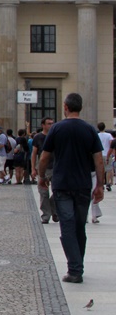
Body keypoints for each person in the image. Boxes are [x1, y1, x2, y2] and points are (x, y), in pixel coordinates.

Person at [37, 93, 105, 283]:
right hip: (83, 184)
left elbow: (44, 157)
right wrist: (99, 185)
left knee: (67, 225)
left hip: (62, 184)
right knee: (78, 226)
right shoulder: (89, 130)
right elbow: (99, 160)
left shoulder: (57, 129)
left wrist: (41, 177)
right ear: (80, 107)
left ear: (65, 107)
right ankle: (77, 265)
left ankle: (75, 269)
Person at [31, 117, 57, 224]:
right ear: (43, 125)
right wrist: (33, 168)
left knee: (58, 191)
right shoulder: (38, 137)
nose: (51, 125)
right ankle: (46, 215)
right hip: (43, 168)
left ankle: (54, 211)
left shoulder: (56, 136)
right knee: (43, 192)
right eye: (48, 124)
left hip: (56, 167)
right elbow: (34, 154)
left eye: (52, 123)